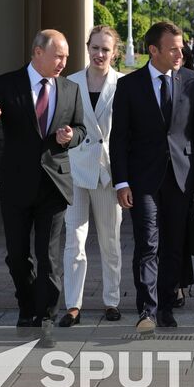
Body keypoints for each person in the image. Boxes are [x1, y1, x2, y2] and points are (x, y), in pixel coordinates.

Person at [110, 20, 194, 331]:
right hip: (142, 179)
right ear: (153, 50)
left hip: (181, 177)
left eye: (181, 47)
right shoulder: (129, 86)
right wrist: (121, 181)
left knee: (173, 243)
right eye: (173, 49)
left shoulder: (191, 81)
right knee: (147, 243)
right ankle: (147, 311)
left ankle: (167, 306)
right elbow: (119, 139)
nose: (179, 53)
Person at [0, 29, 86, 327]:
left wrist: (71, 136)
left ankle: (46, 314)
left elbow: (81, 130)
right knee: (18, 255)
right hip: (16, 184)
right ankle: (27, 307)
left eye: (66, 57)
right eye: (58, 56)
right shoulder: (6, 84)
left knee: (48, 256)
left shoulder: (70, 89)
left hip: (54, 184)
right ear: (37, 52)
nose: (63, 62)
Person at [59, 26, 124, 326]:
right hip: (76, 170)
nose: (99, 54)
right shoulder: (69, 82)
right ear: (87, 48)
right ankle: (73, 304)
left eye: (105, 49)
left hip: (108, 172)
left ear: (115, 53)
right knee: (74, 240)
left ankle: (112, 301)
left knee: (110, 241)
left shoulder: (123, 85)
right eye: (95, 47)